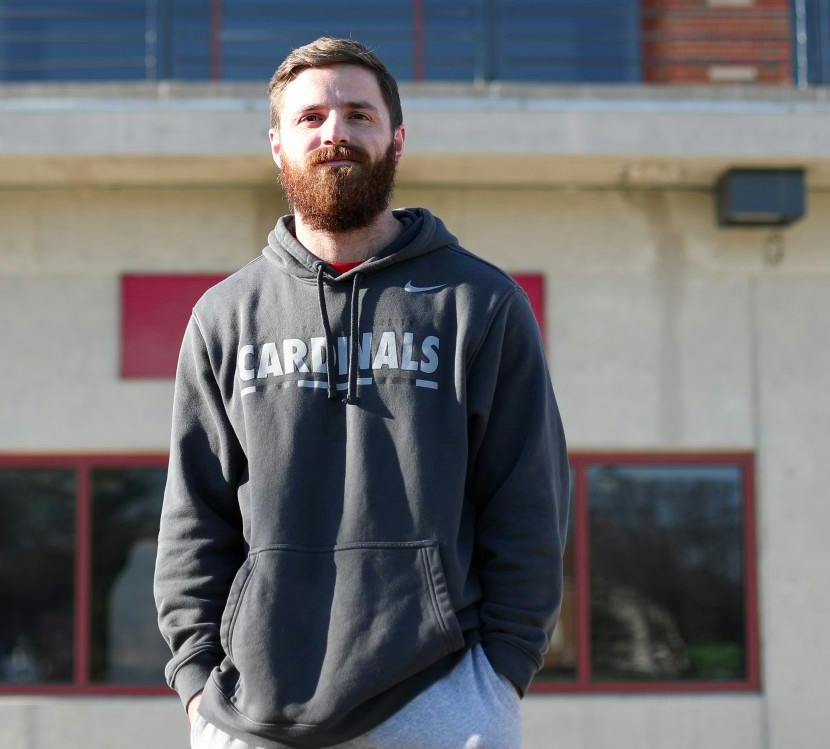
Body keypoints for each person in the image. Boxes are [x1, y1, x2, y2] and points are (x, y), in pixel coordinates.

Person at [155, 37, 569, 749]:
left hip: (438, 699)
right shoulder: (224, 316)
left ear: (397, 138)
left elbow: (528, 501)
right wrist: (197, 684)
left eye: (358, 114)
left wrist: (499, 675)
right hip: (252, 711)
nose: (335, 133)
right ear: (278, 145)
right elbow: (196, 515)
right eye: (311, 117)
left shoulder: (480, 301)